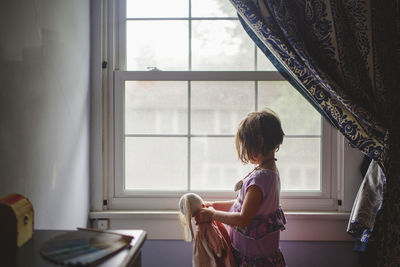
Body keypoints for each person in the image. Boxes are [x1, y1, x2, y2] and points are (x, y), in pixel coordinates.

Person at [195, 108, 287, 267]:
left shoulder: (259, 180)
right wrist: (215, 205)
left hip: (253, 261)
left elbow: (244, 219)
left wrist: (213, 215)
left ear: (259, 142)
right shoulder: (270, 172)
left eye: (246, 145)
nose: (244, 150)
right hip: (260, 256)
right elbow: (244, 205)